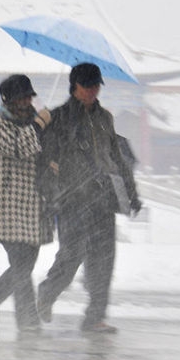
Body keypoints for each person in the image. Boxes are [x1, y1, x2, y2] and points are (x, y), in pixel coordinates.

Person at [36, 63, 141, 334]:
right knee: (70, 257)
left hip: (102, 199)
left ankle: (95, 317)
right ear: (75, 87)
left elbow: (116, 157)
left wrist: (131, 193)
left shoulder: (105, 118)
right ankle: (46, 294)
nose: (93, 90)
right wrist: (48, 195)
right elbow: (44, 158)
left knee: (103, 260)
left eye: (96, 85)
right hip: (71, 200)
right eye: (88, 85)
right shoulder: (57, 117)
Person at [0, 74, 53, 334]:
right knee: (22, 267)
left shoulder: (37, 123)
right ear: (8, 101)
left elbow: (47, 153)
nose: (25, 102)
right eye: (20, 98)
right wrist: (39, 126)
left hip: (34, 206)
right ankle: (28, 320)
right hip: (8, 205)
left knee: (25, 266)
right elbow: (19, 147)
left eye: (28, 97)